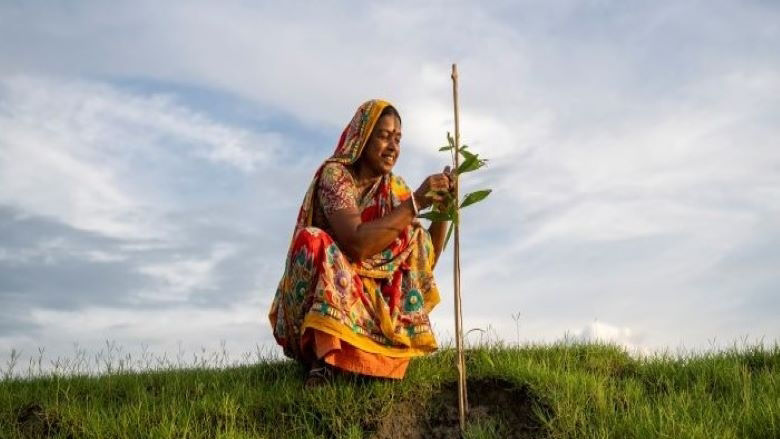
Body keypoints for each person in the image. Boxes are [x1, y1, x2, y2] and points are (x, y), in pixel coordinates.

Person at [268, 99, 454, 386]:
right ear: (362, 137)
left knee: (412, 236)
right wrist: (415, 203)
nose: (393, 146)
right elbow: (357, 244)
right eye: (383, 136)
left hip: (364, 302)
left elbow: (424, 257)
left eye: (398, 138)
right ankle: (322, 362)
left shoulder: (395, 189)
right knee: (314, 241)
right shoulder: (336, 176)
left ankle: (372, 356)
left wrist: (443, 209)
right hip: (321, 298)